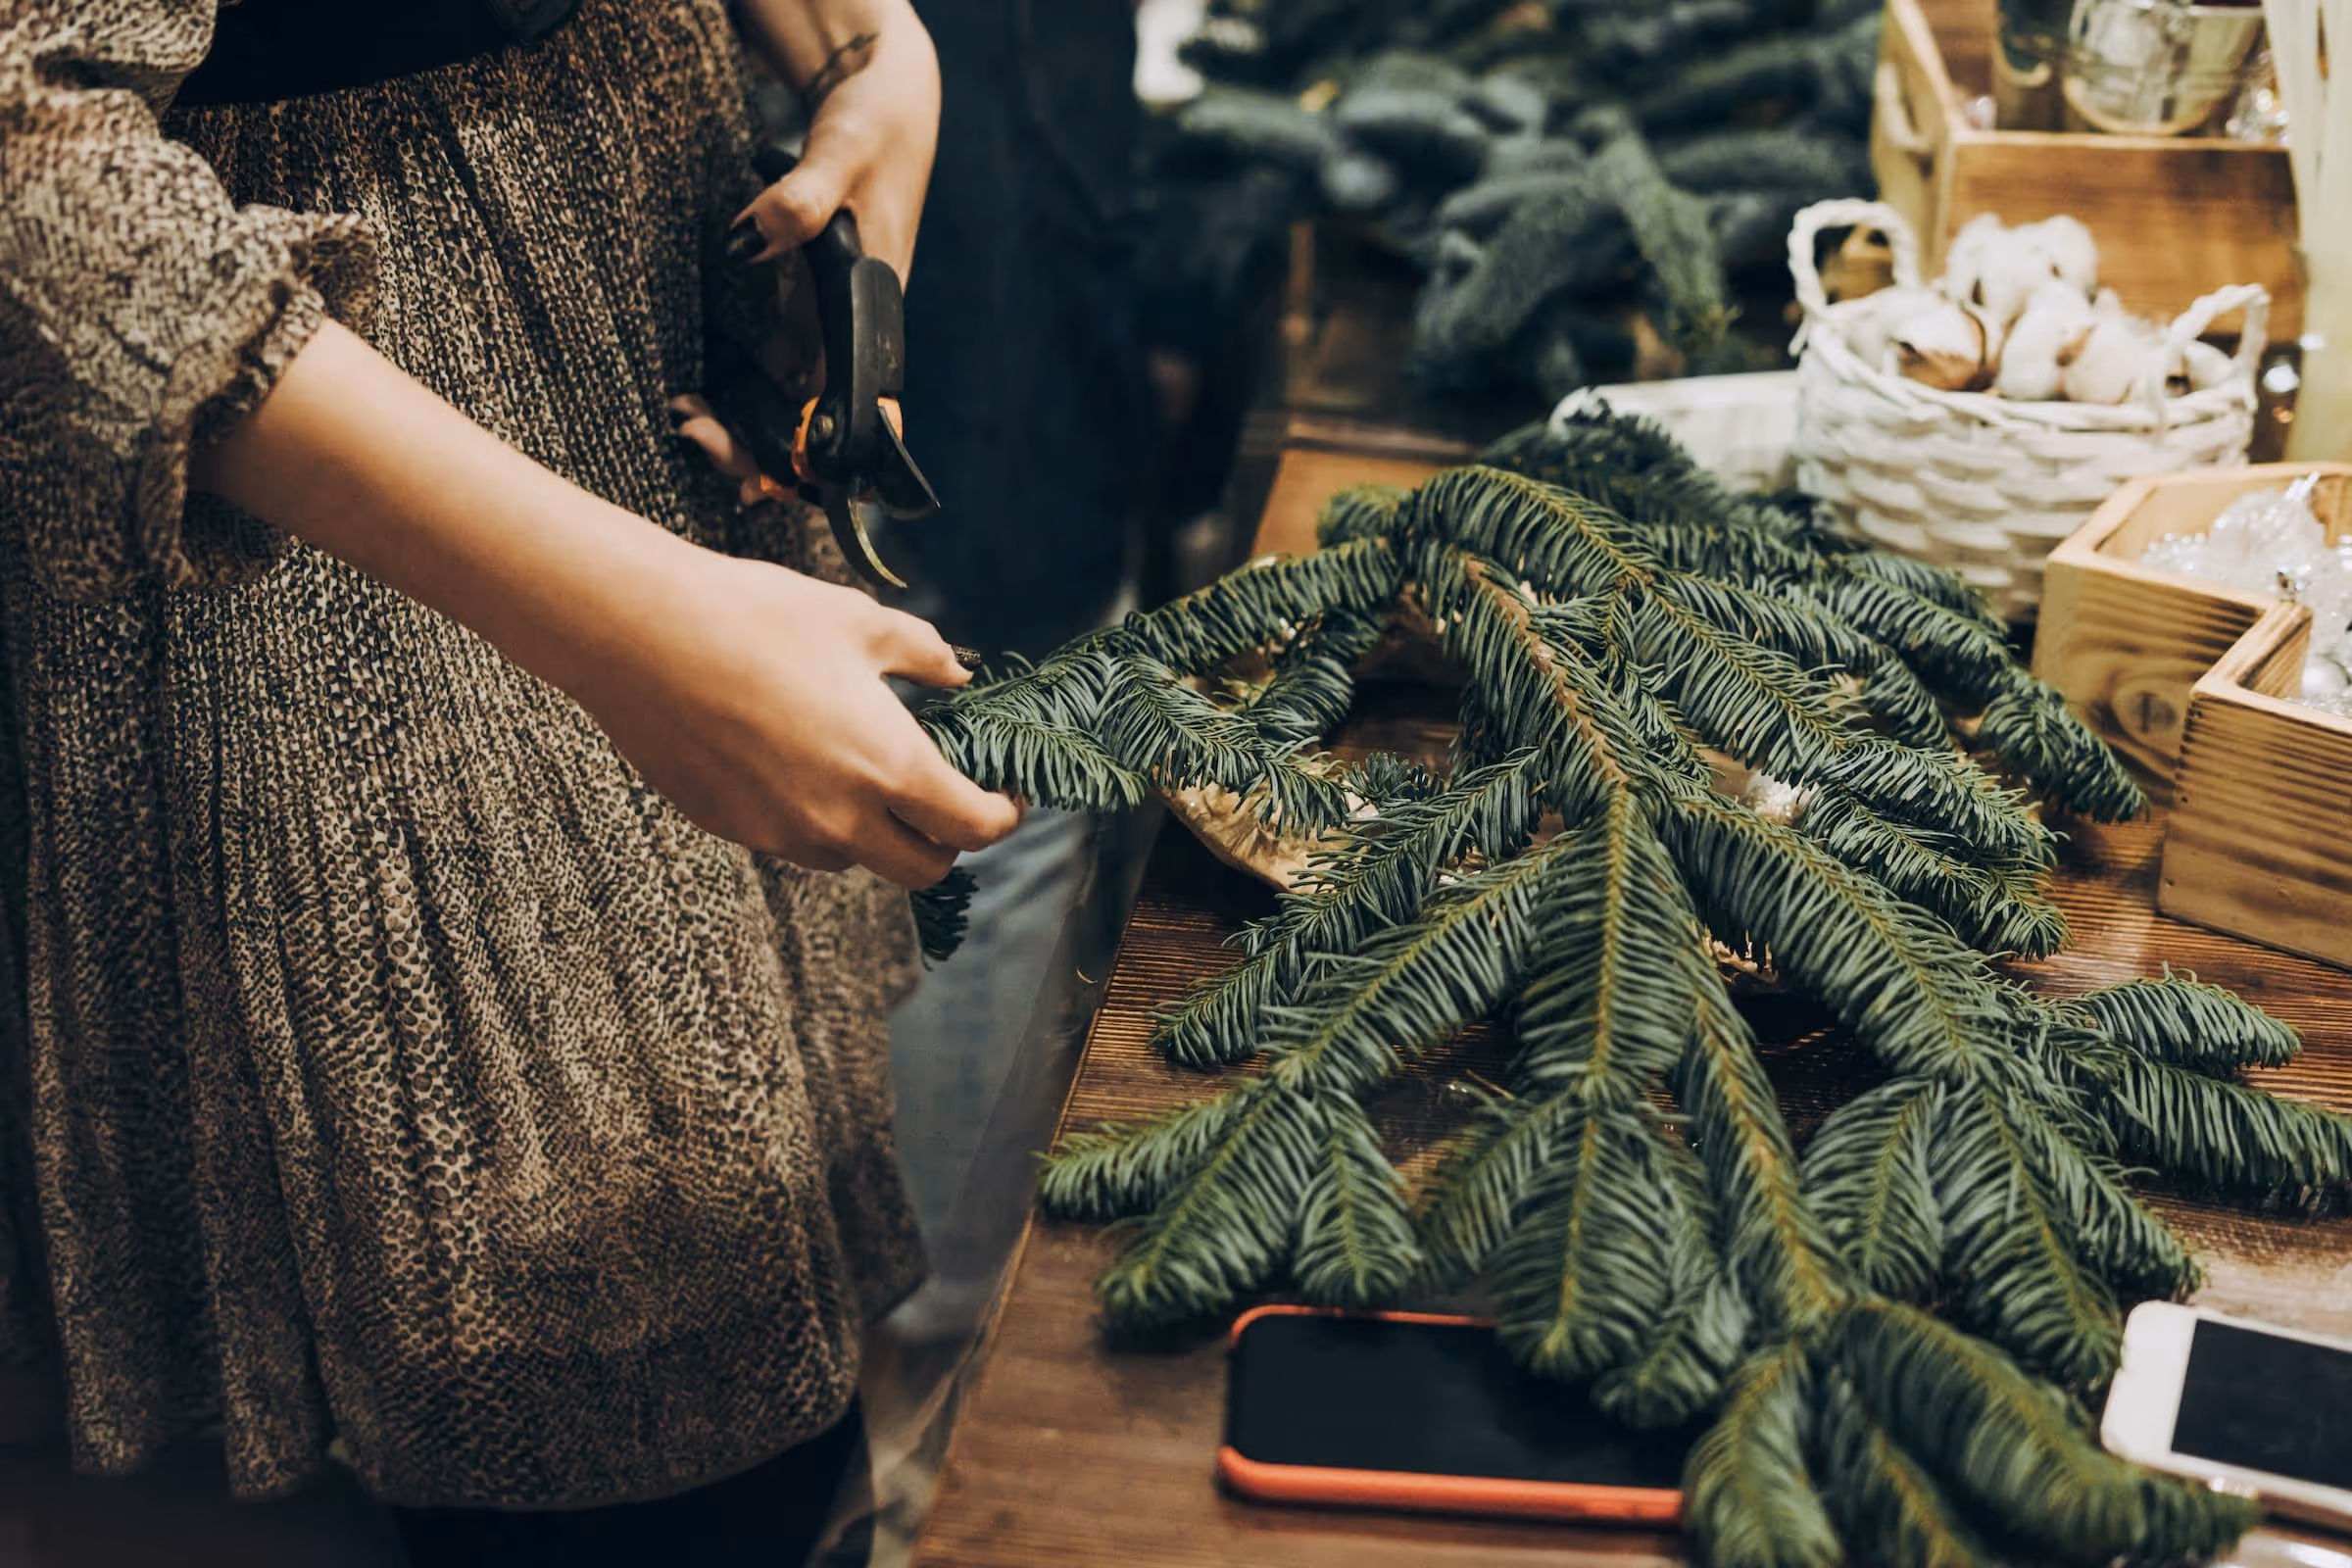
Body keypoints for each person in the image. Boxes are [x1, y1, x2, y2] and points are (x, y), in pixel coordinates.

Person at [0, 1, 1014, 1562]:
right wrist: (618, 623)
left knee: (769, 1425)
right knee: (619, 1425)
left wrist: (864, 46)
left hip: (647, 397)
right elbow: (23, 149)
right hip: (347, 529)